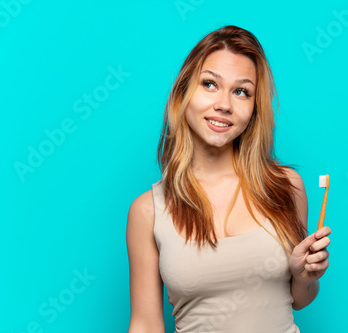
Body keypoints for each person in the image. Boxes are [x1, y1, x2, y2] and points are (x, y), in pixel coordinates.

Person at [126, 25, 331, 333]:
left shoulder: (285, 186)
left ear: (253, 109)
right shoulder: (147, 211)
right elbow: (145, 324)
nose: (224, 104)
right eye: (210, 84)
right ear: (183, 93)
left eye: (241, 91)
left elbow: (299, 299)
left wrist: (304, 277)